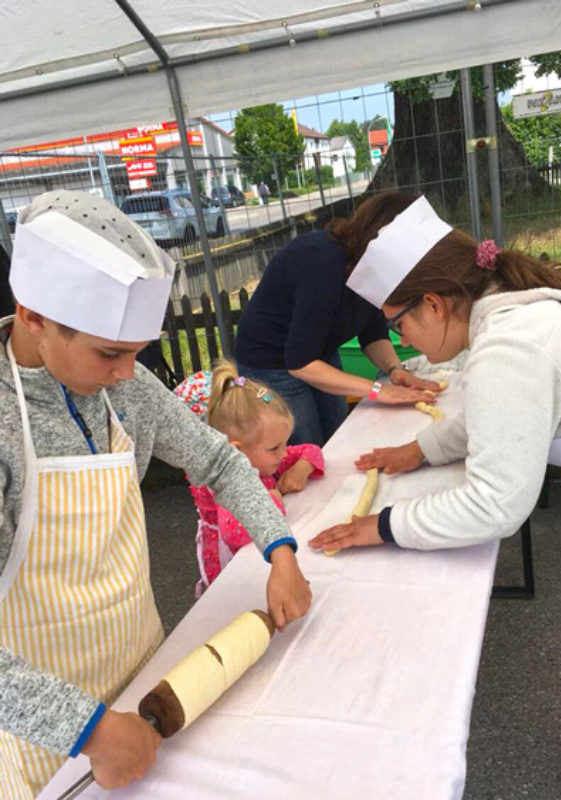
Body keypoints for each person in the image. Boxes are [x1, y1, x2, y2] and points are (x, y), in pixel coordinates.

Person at [308, 194, 561, 800]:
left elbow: (497, 505)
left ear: (434, 303)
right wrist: (422, 450)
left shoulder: (511, 340)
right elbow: (502, 408)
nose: (402, 341)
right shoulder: (506, 313)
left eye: (399, 324)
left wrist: (380, 526)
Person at [0, 190, 311, 797]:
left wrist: (279, 549)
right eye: (110, 354)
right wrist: (88, 729)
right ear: (33, 315)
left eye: (137, 354)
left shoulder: (128, 385)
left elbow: (219, 458)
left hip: (143, 662)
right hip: (43, 719)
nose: (126, 374)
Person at [234, 192, 442, 447]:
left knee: (338, 435)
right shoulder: (322, 265)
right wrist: (378, 390)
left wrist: (395, 370)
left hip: (316, 354)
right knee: (307, 448)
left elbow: (373, 333)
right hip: (271, 363)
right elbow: (299, 363)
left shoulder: (373, 268)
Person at [175, 362, 324, 595]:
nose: (284, 454)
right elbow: (234, 532)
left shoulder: (263, 456)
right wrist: (273, 498)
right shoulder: (219, 483)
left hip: (261, 553)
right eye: (275, 448)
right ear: (237, 451)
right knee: (236, 601)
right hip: (228, 560)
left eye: (286, 443)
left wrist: (302, 467)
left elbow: (312, 450)